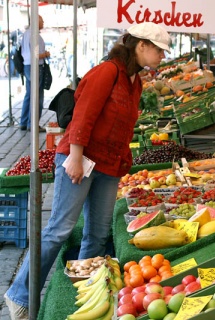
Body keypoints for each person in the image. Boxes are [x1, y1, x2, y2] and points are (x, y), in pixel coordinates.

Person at [4, 22, 171, 320]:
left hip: (109, 165)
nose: (162, 56)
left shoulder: (135, 81)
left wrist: (121, 165)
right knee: (59, 230)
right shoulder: (108, 71)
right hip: (80, 158)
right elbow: (83, 113)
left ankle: (84, 290)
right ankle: (19, 295)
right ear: (141, 45)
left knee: (97, 234)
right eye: (159, 49)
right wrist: (76, 157)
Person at [19, 15, 50, 132]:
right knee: (37, 96)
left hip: (27, 66)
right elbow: (36, 54)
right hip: (36, 67)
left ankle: (24, 121)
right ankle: (32, 124)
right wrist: (46, 54)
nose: (43, 23)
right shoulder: (35, 35)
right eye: (42, 20)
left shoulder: (26, 34)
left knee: (29, 94)